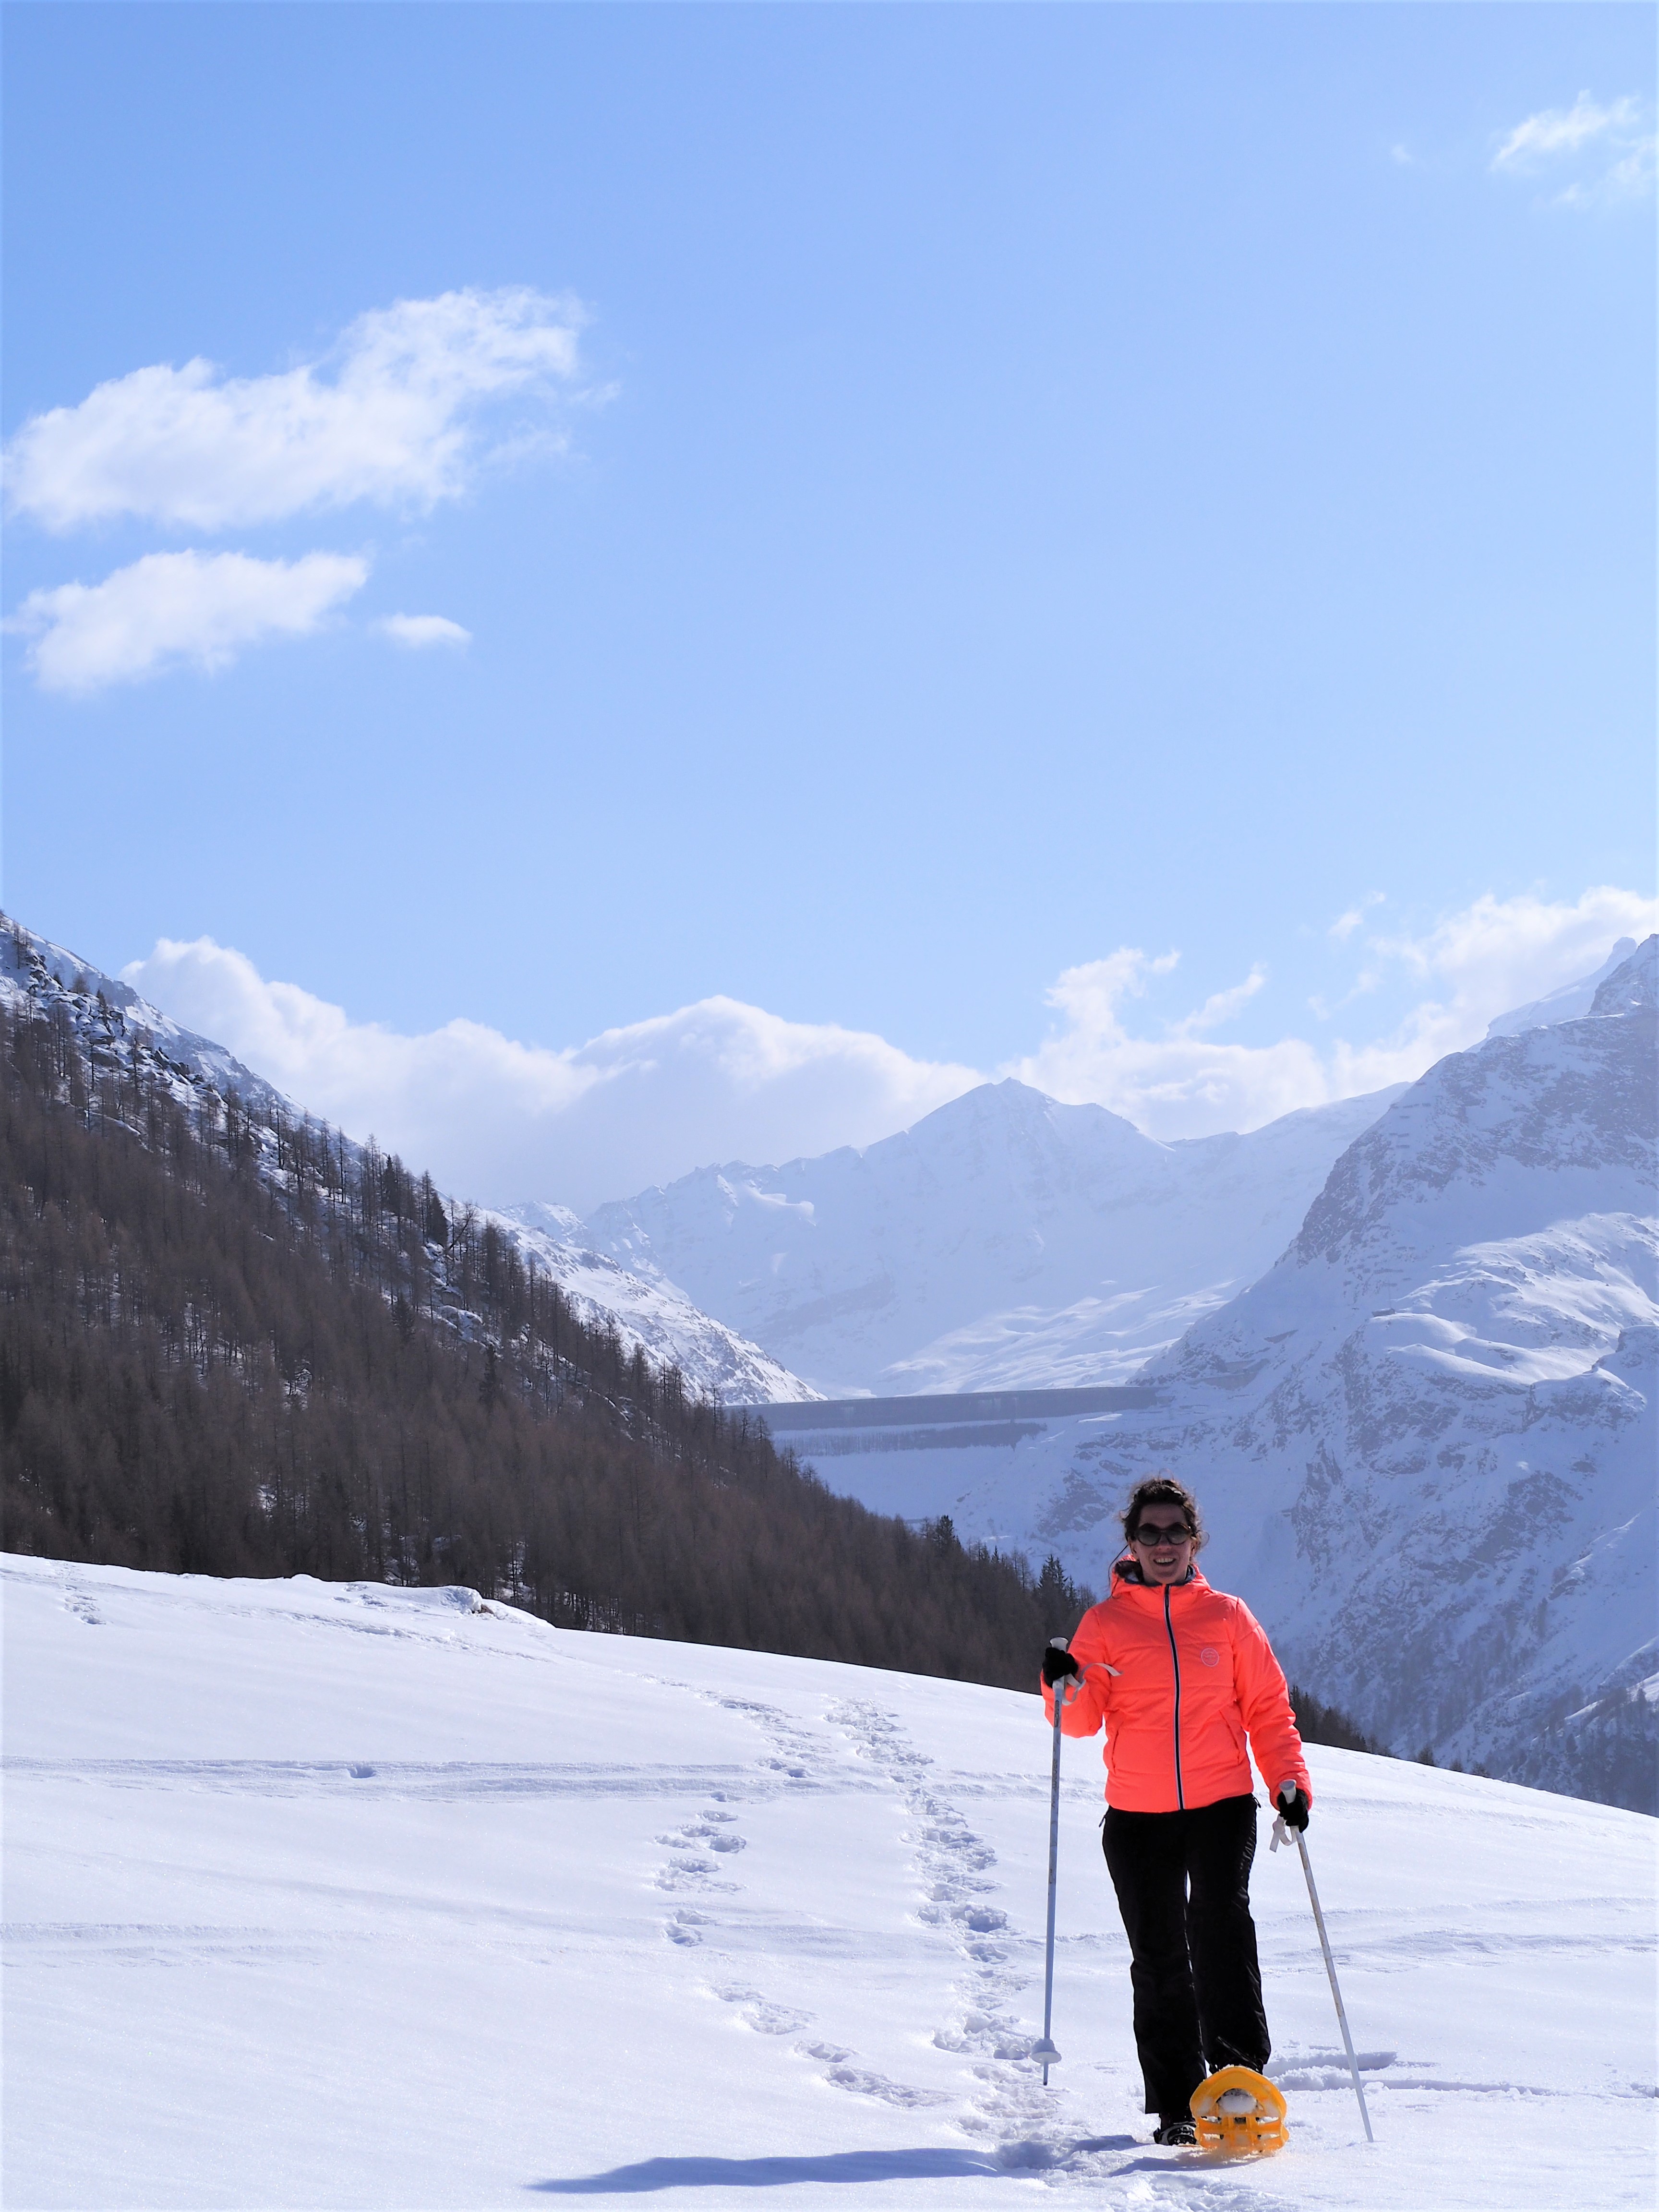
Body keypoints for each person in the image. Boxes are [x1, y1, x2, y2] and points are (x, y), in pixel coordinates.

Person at [1040, 1474, 1310, 2148]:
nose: (1164, 1544)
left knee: (1219, 1927)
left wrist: (1289, 1782)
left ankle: (1240, 2076)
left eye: (1176, 1532)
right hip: (1136, 1814)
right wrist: (1060, 1684)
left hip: (1221, 1803)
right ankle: (1178, 2107)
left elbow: (1268, 1711)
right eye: (1150, 1533)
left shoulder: (1228, 1617)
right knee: (1158, 1955)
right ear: (1131, 1542)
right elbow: (1079, 1723)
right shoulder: (1104, 1624)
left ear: (1195, 1541)